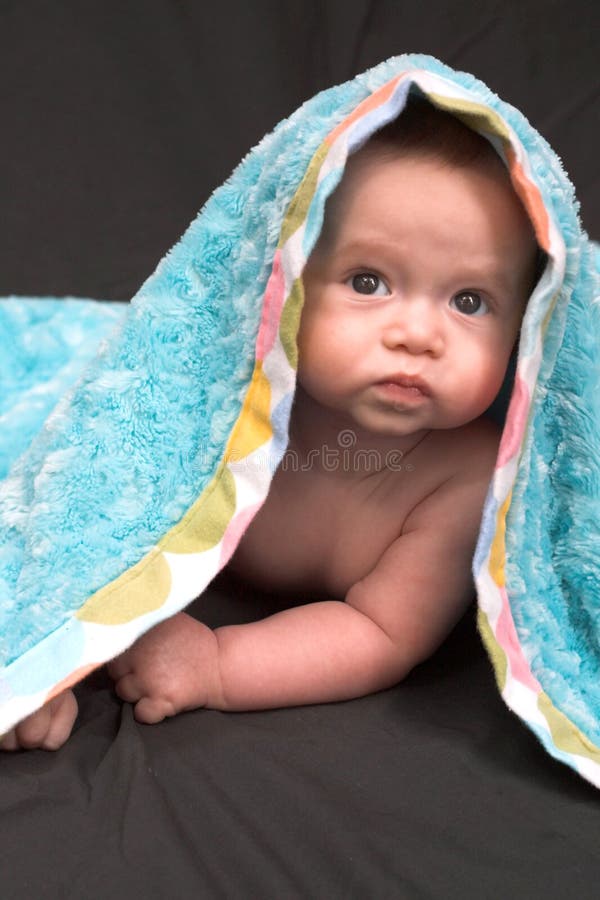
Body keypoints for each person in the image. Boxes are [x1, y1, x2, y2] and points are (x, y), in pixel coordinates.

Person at [1, 97, 539, 749]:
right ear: (286, 278)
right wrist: (45, 660)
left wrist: (220, 665)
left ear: (526, 330)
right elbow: (95, 498)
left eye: (469, 301)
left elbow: (380, 631)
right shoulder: (228, 384)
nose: (418, 335)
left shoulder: (469, 478)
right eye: (368, 282)